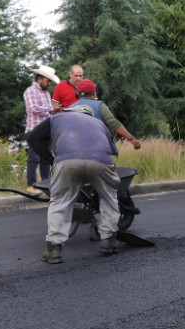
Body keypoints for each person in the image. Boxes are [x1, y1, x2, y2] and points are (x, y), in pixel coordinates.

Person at [26, 105, 121, 264]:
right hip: (101, 161)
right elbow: (111, 150)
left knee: (60, 201)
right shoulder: (100, 124)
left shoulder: (58, 118)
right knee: (109, 197)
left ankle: (54, 249)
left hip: (66, 161)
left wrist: (49, 159)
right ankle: (109, 240)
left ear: (72, 112)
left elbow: (32, 137)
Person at [70, 79, 142, 150]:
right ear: (94, 92)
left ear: (77, 92)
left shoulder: (71, 108)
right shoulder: (100, 106)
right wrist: (132, 139)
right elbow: (113, 123)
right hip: (97, 147)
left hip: (74, 147)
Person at [23, 65, 60, 195]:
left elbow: (48, 111)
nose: (49, 83)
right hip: (34, 130)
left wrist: (54, 111)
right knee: (33, 158)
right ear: (39, 79)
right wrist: (51, 109)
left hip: (46, 131)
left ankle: (45, 184)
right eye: (48, 80)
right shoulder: (30, 91)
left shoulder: (46, 93)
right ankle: (31, 185)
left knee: (45, 158)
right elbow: (33, 108)